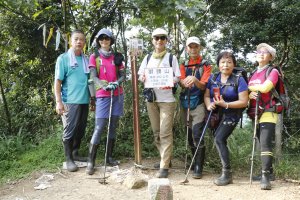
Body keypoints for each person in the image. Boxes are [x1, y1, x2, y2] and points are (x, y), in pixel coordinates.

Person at [138, 28, 181, 178]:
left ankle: (164, 167)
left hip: (167, 100)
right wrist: (143, 77)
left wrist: (170, 82)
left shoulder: (171, 58)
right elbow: (140, 75)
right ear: (152, 40)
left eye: (162, 38)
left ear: (166, 40)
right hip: (151, 100)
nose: (159, 40)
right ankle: (166, 159)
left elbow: (177, 77)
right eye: (156, 38)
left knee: (165, 133)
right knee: (157, 132)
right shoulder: (148, 57)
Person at [204, 51, 248, 185]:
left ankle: (227, 173)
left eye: (229, 62)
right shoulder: (213, 78)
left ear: (234, 64)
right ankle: (225, 170)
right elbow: (206, 96)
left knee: (219, 138)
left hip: (232, 114)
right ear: (218, 64)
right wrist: (209, 105)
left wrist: (226, 104)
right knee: (218, 139)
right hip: (216, 115)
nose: (225, 65)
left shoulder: (238, 79)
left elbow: (244, 101)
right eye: (222, 62)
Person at [86, 28, 125, 175]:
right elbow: (93, 76)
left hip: (117, 95)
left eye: (107, 38)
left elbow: (122, 76)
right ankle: (91, 161)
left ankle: (109, 157)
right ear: (98, 41)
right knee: (99, 126)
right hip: (102, 95)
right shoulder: (94, 56)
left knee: (113, 126)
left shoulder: (117, 56)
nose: (104, 41)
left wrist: (116, 83)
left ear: (111, 40)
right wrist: (103, 85)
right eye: (101, 39)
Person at [54, 29, 94, 172]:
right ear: (71, 41)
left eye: (81, 39)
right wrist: (58, 102)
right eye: (76, 39)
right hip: (69, 101)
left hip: (84, 100)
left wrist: (92, 100)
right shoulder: (63, 58)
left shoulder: (86, 59)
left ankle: (76, 153)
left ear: (84, 42)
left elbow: (89, 82)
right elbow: (57, 82)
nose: (79, 42)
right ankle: (68, 158)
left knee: (80, 129)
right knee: (69, 130)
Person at [179, 36, 212, 179]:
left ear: (200, 48)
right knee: (188, 134)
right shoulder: (183, 64)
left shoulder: (206, 65)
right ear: (187, 49)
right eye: (190, 47)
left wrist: (195, 80)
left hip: (199, 102)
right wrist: (183, 82)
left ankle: (199, 165)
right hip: (185, 102)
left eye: (195, 47)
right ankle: (193, 160)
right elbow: (180, 81)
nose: (193, 49)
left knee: (197, 133)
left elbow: (204, 85)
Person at [248, 43, 278, 190]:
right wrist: (249, 94)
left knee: (265, 143)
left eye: (265, 52)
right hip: (255, 112)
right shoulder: (253, 72)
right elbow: (248, 93)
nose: (261, 53)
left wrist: (248, 87)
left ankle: (265, 176)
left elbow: (266, 87)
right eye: (259, 51)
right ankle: (269, 173)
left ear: (270, 57)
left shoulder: (273, 71)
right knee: (261, 142)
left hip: (268, 111)